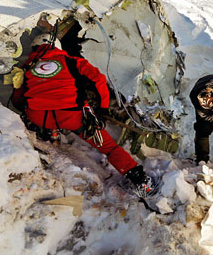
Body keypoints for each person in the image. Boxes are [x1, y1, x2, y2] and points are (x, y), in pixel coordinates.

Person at [11, 33, 155, 195]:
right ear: (58, 47)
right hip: (70, 116)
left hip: (38, 117)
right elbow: (98, 80)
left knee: (43, 108)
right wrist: (102, 107)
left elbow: (17, 98)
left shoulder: (26, 67)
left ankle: (50, 133)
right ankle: (141, 181)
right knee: (108, 147)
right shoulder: (71, 61)